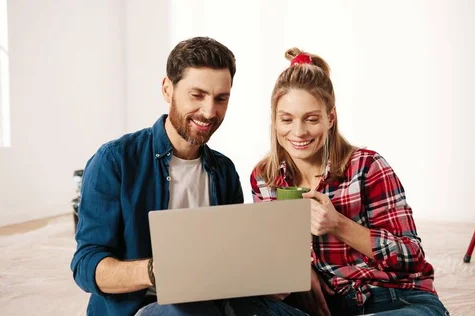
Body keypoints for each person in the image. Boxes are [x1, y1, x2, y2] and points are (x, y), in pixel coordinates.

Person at [70, 37, 306, 316]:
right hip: (143, 307)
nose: (209, 111)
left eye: (221, 98)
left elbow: (231, 260)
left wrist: (263, 279)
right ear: (168, 90)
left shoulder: (224, 171)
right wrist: (154, 270)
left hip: (213, 301)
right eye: (197, 95)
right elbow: (85, 266)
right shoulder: (115, 161)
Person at [250, 48, 449, 316]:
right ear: (274, 120)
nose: (298, 132)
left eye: (311, 119)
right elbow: (273, 253)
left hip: (392, 298)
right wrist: (300, 268)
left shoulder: (367, 166)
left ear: (330, 118)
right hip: (325, 307)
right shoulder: (265, 178)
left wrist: (339, 224)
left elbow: (411, 255)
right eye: (287, 119)